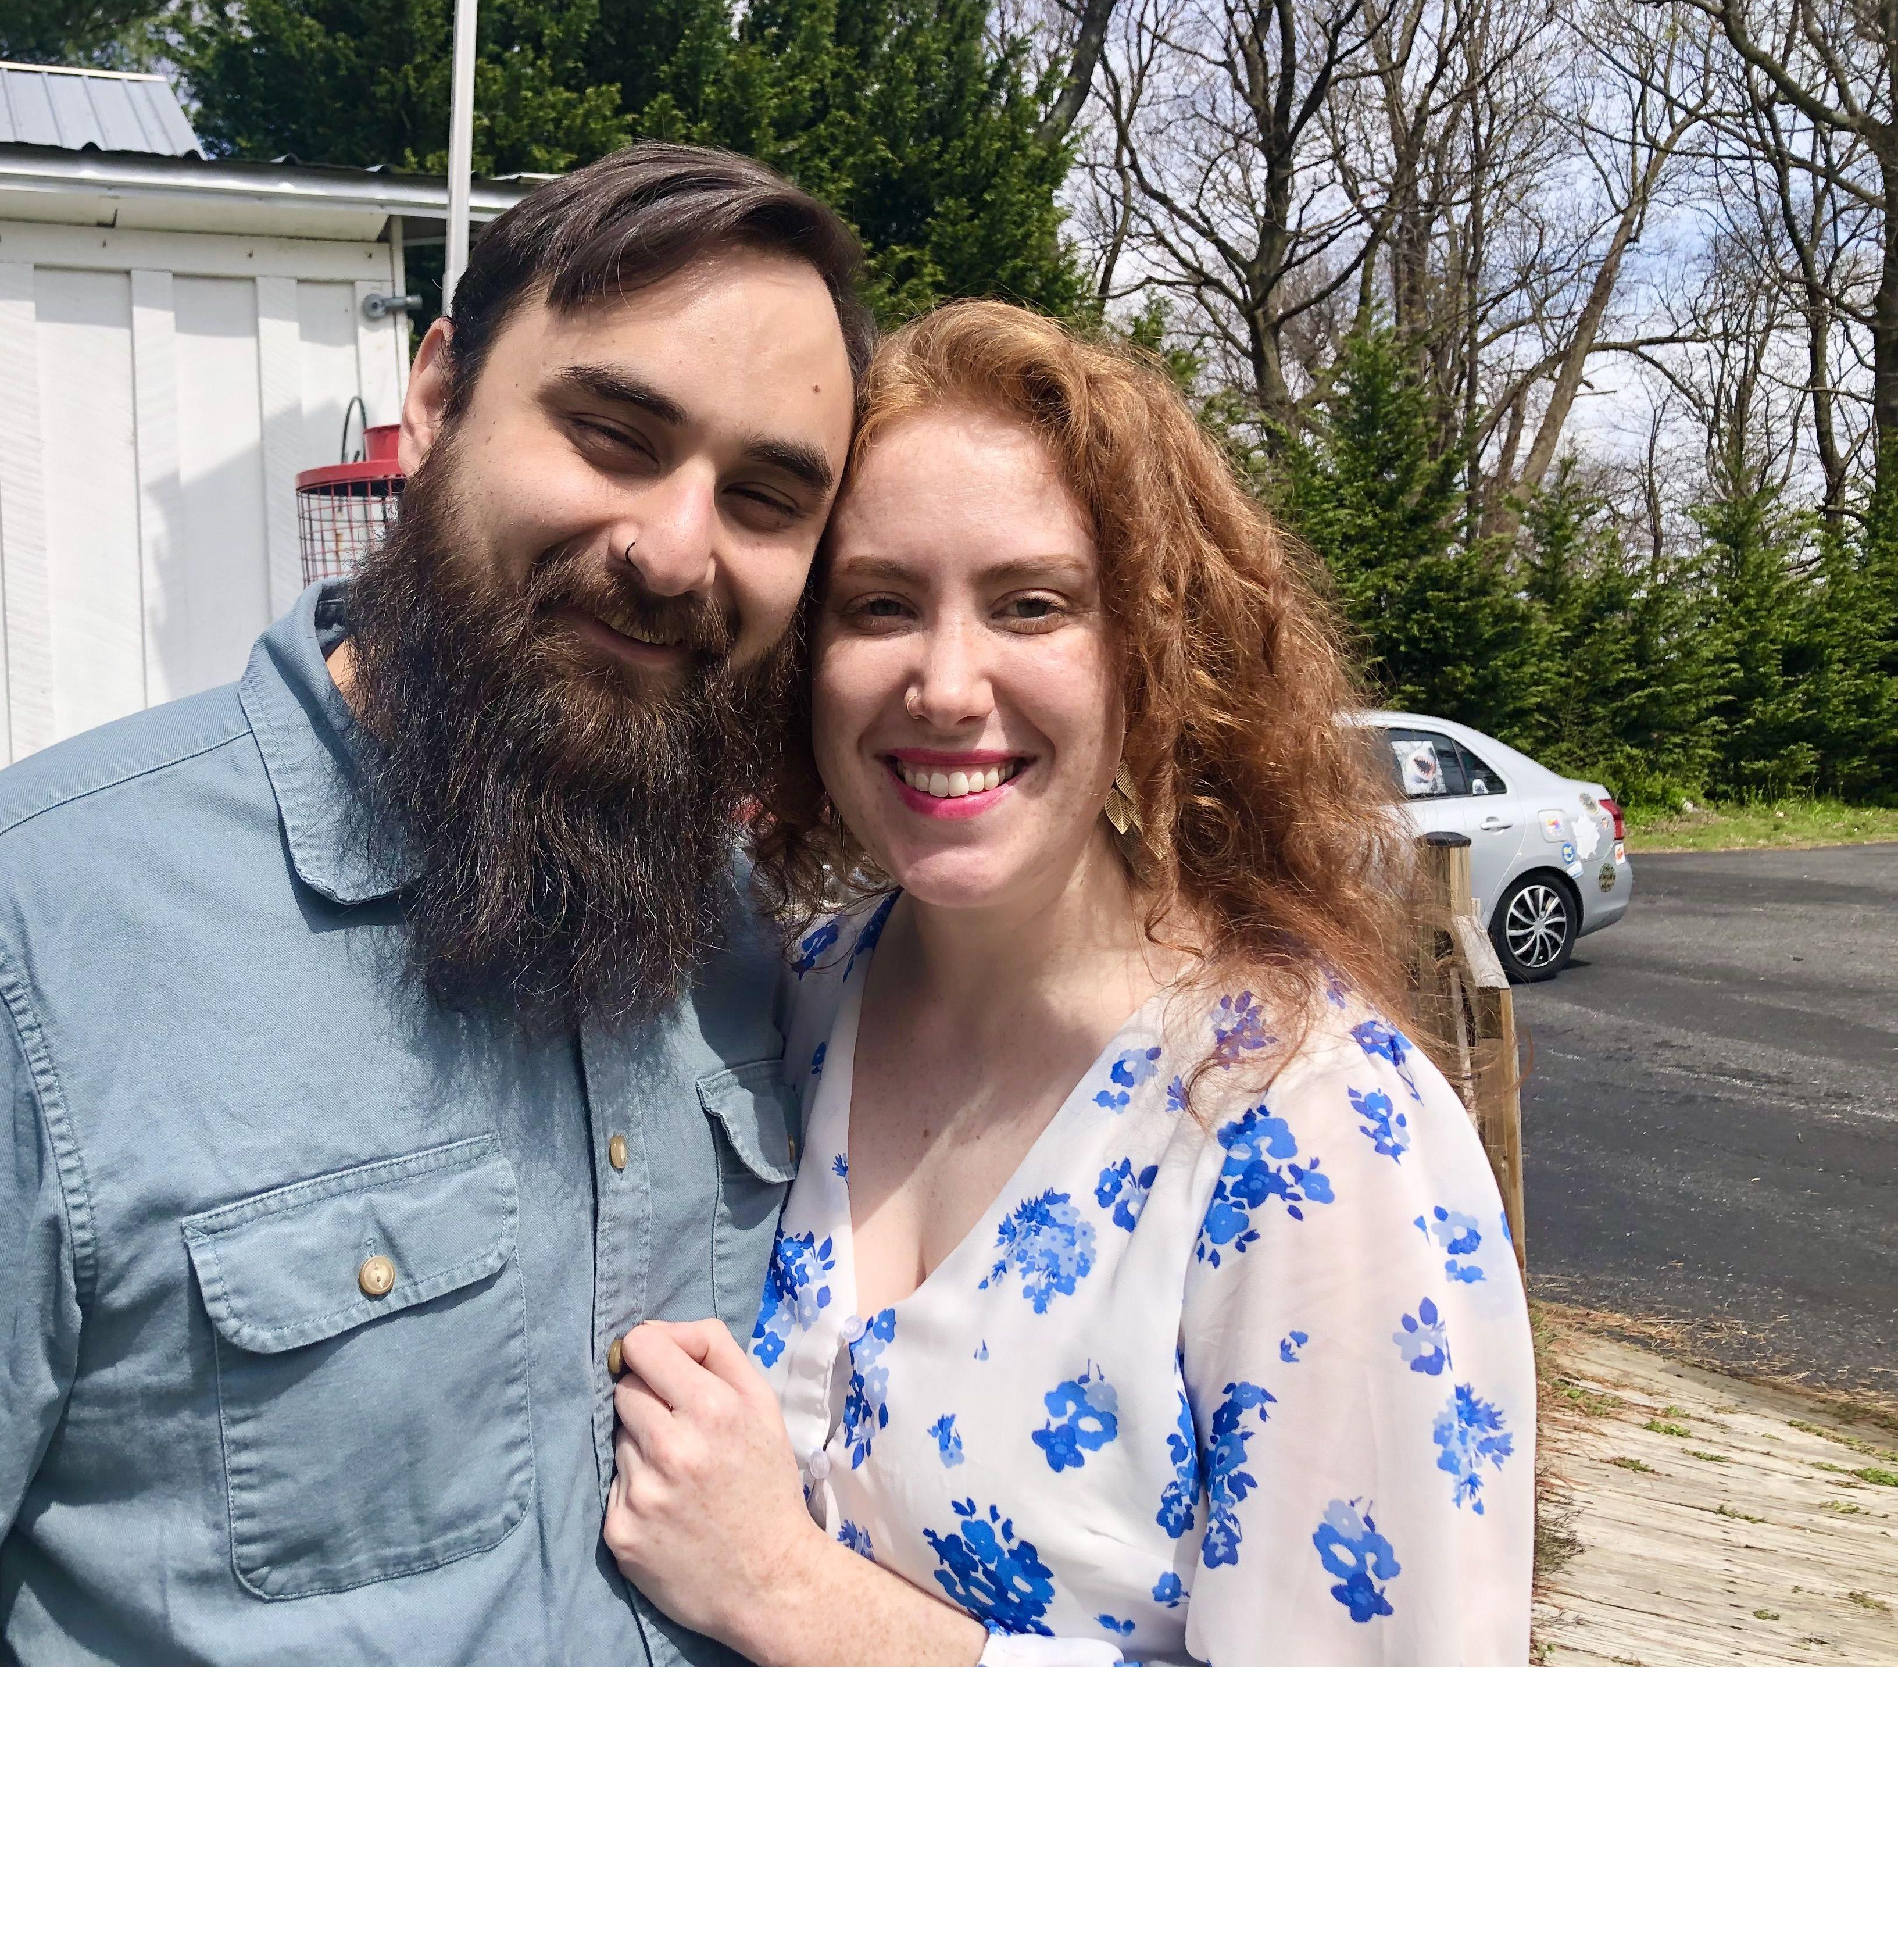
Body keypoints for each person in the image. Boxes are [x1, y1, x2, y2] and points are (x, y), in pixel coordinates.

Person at [0, 143, 868, 1665]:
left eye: (765, 499)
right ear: (437, 400)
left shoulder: (748, 942)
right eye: (612, 435)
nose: (675, 549)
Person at [601, 300, 1536, 1665]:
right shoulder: (787, 1010)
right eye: (880, 606)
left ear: (1154, 654)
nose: (945, 685)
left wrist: (783, 1587)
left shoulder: (1312, 1130)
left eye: (1032, 605)